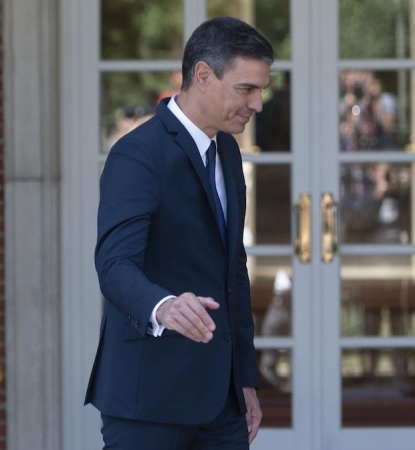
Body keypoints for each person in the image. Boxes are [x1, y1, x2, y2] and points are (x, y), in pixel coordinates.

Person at [85, 17, 273, 450]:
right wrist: (163, 305)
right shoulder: (136, 154)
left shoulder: (227, 149)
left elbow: (233, 273)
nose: (258, 103)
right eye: (247, 89)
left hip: (222, 404)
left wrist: (245, 379)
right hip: (147, 400)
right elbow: (114, 266)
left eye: (261, 89)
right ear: (203, 76)